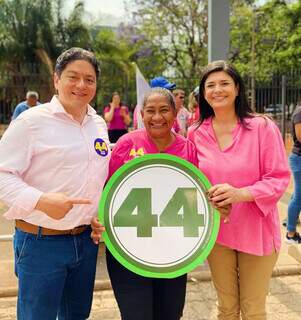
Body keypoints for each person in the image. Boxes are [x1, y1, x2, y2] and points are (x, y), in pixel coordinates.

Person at [91, 87, 230, 320]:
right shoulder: (126, 144)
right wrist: (98, 218)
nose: (157, 117)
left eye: (164, 110)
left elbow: (197, 197)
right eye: (150, 111)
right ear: (141, 115)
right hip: (128, 254)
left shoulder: (188, 149)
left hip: (172, 253)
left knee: (170, 314)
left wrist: (217, 206)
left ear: (174, 114)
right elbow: (107, 191)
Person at [0, 47, 110, 319]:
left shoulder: (98, 124)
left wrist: (97, 215)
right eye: (73, 77)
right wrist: (41, 200)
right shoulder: (31, 122)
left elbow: (96, 176)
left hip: (85, 243)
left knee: (76, 316)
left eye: (89, 79)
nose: (81, 85)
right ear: (56, 80)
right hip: (40, 243)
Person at [188, 60, 290, 320]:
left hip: (256, 232)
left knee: (253, 310)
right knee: (226, 309)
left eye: (224, 83)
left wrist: (240, 194)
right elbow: (190, 182)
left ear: (237, 89)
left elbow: (278, 178)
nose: (217, 90)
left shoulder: (262, 127)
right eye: (210, 85)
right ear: (203, 93)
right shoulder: (195, 133)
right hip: (217, 234)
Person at [285, 103, 301, 243]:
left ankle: (289, 220)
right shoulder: (300, 112)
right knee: (299, 197)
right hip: (299, 159)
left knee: (297, 194)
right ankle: (290, 233)